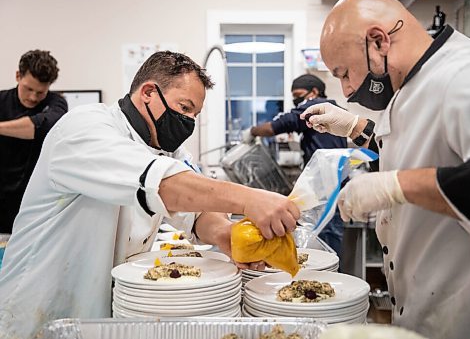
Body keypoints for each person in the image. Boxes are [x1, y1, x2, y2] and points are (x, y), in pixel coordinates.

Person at [0, 51, 300, 339]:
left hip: (100, 312)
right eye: (184, 108)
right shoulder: (86, 127)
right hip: (38, 311)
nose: (188, 122)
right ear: (147, 93)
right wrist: (250, 199)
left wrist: (226, 235)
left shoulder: (166, 148)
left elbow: (197, 213)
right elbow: (167, 186)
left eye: (194, 114)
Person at [301, 0, 470, 339]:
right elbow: (421, 151)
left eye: (345, 73)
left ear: (378, 41)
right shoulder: (412, 82)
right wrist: (355, 127)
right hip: (427, 308)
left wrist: (393, 186)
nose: (347, 91)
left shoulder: (467, 74)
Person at [242, 74, 347, 256]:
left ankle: (328, 276)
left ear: (314, 92)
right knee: (329, 235)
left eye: (298, 94)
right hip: (334, 182)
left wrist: (252, 131)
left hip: (326, 185)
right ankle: (328, 274)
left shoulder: (317, 108)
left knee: (327, 237)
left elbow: (277, 126)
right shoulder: (335, 109)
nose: (296, 100)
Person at [0, 50, 68, 233]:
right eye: (28, 89)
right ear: (17, 76)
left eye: (40, 92)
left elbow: (40, 127)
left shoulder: (57, 103)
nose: (33, 97)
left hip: (37, 203)